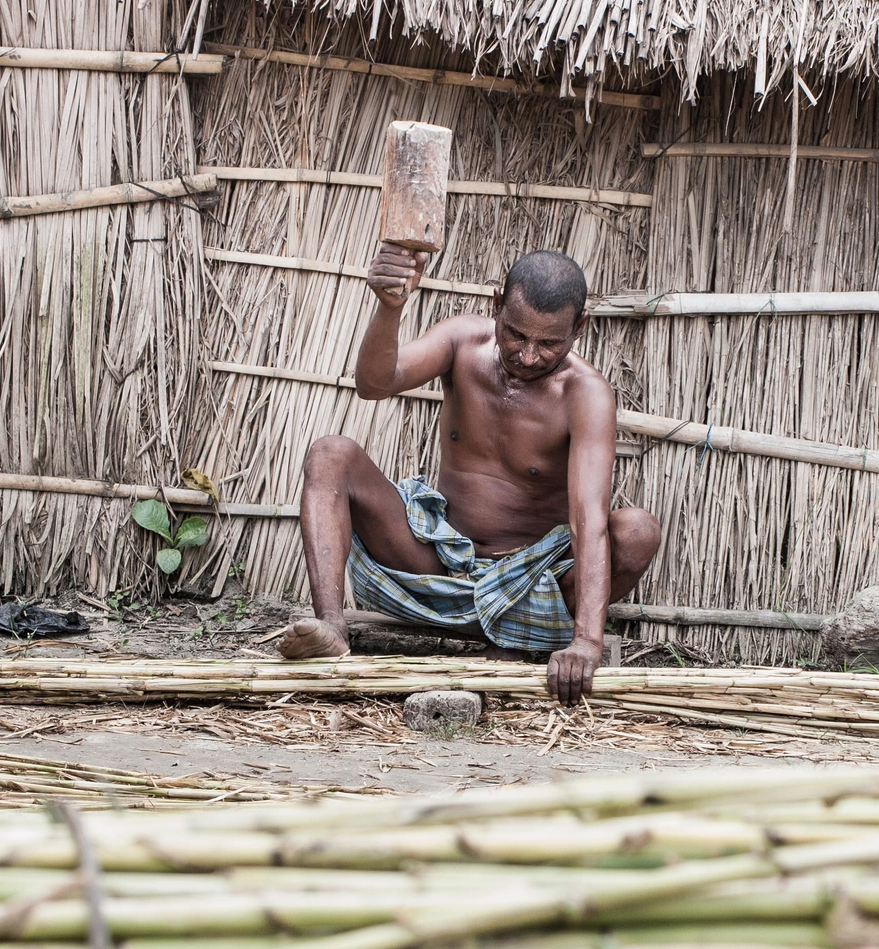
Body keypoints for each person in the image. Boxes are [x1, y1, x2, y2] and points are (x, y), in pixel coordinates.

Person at [278, 245, 661, 705]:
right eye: (516, 335)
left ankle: (519, 637)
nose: (529, 356)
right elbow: (374, 384)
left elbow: (588, 521)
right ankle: (331, 627)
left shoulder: (585, 395)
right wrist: (389, 307)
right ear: (496, 305)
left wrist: (586, 644)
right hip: (439, 563)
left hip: (529, 586)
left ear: (579, 328)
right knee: (330, 454)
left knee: (638, 530)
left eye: (550, 344)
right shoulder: (462, 341)